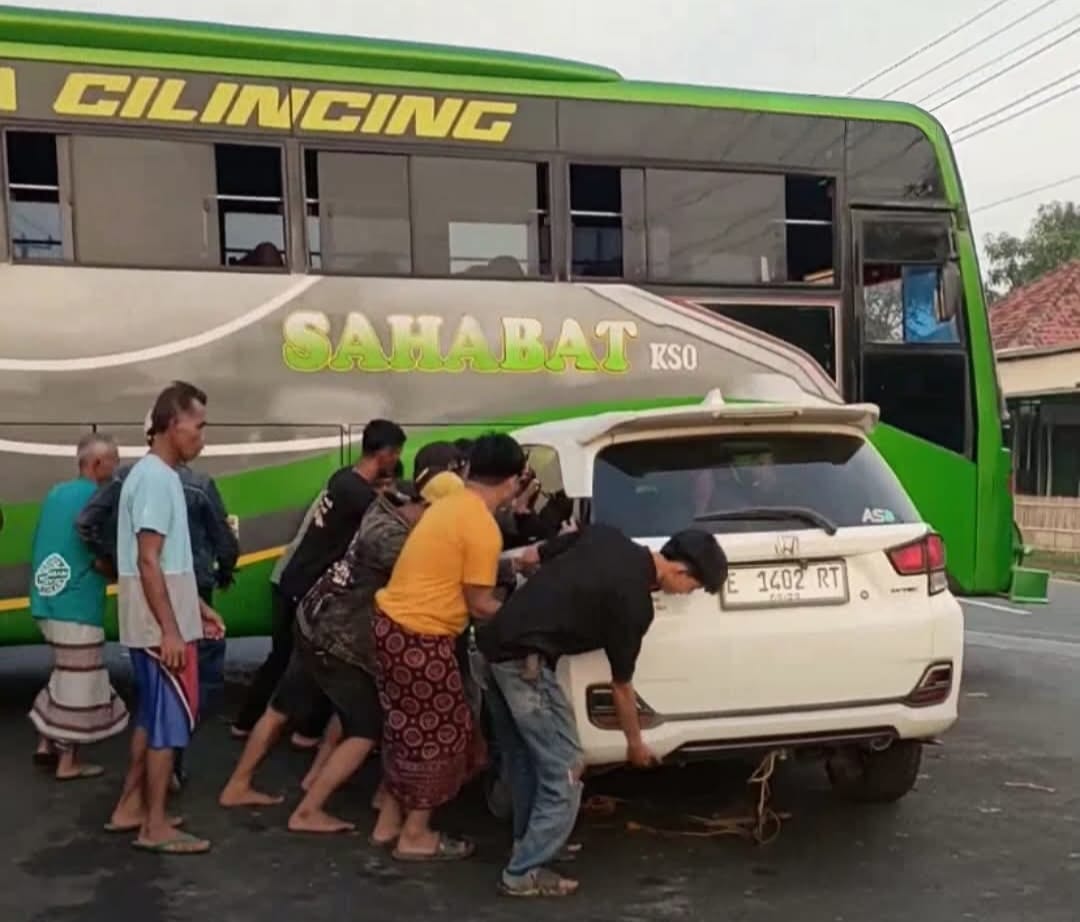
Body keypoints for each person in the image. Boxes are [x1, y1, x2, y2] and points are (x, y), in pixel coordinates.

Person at [478, 525, 727, 897]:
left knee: (525, 756)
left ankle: (529, 845)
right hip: (524, 668)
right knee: (567, 765)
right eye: (692, 588)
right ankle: (523, 872)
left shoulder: (607, 536)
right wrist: (635, 744)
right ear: (680, 571)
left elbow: (531, 557)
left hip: (490, 649)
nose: (686, 595)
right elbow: (621, 686)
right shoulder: (634, 606)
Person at [218, 471, 465, 831]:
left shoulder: (380, 510)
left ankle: (238, 784)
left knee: (280, 708)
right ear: (421, 506)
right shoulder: (394, 541)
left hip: (313, 620)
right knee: (366, 728)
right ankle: (308, 811)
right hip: (338, 639)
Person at [369, 433, 528, 862]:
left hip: (390, 627)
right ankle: (415, 836)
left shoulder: (453, 503)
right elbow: (480, 603)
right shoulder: (481, 525)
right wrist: (526, 614)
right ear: (513, 482)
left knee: (404, 731)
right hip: (422, 635)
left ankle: (388, 823)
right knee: (444, 737)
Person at [230, 419, 407, 745]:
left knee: (296, 660)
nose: (395, 461)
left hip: (294, 580)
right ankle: (260, 725)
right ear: (384, 454)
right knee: (296, 660)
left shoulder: (343, 478)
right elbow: (391, 523)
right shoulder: (360, 496)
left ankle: (294, 728)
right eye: (396, 454)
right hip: (304, 587)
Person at [106, 381, 226, 855]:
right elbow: (149, 559)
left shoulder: (151, 475)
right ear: (172, 425)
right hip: (160, 629)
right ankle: (153, 826)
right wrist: (174, 629)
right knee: (168, 724)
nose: (202, 437)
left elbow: (164, 563)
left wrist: (198, 609)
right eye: (198, 427)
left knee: (152, 719)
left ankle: (129, 808)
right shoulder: (157, 479)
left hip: (158, 620)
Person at [28, 433, 128, 780]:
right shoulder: (99, 500)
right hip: (77, 606)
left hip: (46, 601)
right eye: (114, 460)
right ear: (98, 464)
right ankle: (68, 761)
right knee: (81, 684)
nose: (117, 467)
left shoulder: (56, 493)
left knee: (65, 672)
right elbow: (99, 554)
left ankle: (45, 741)